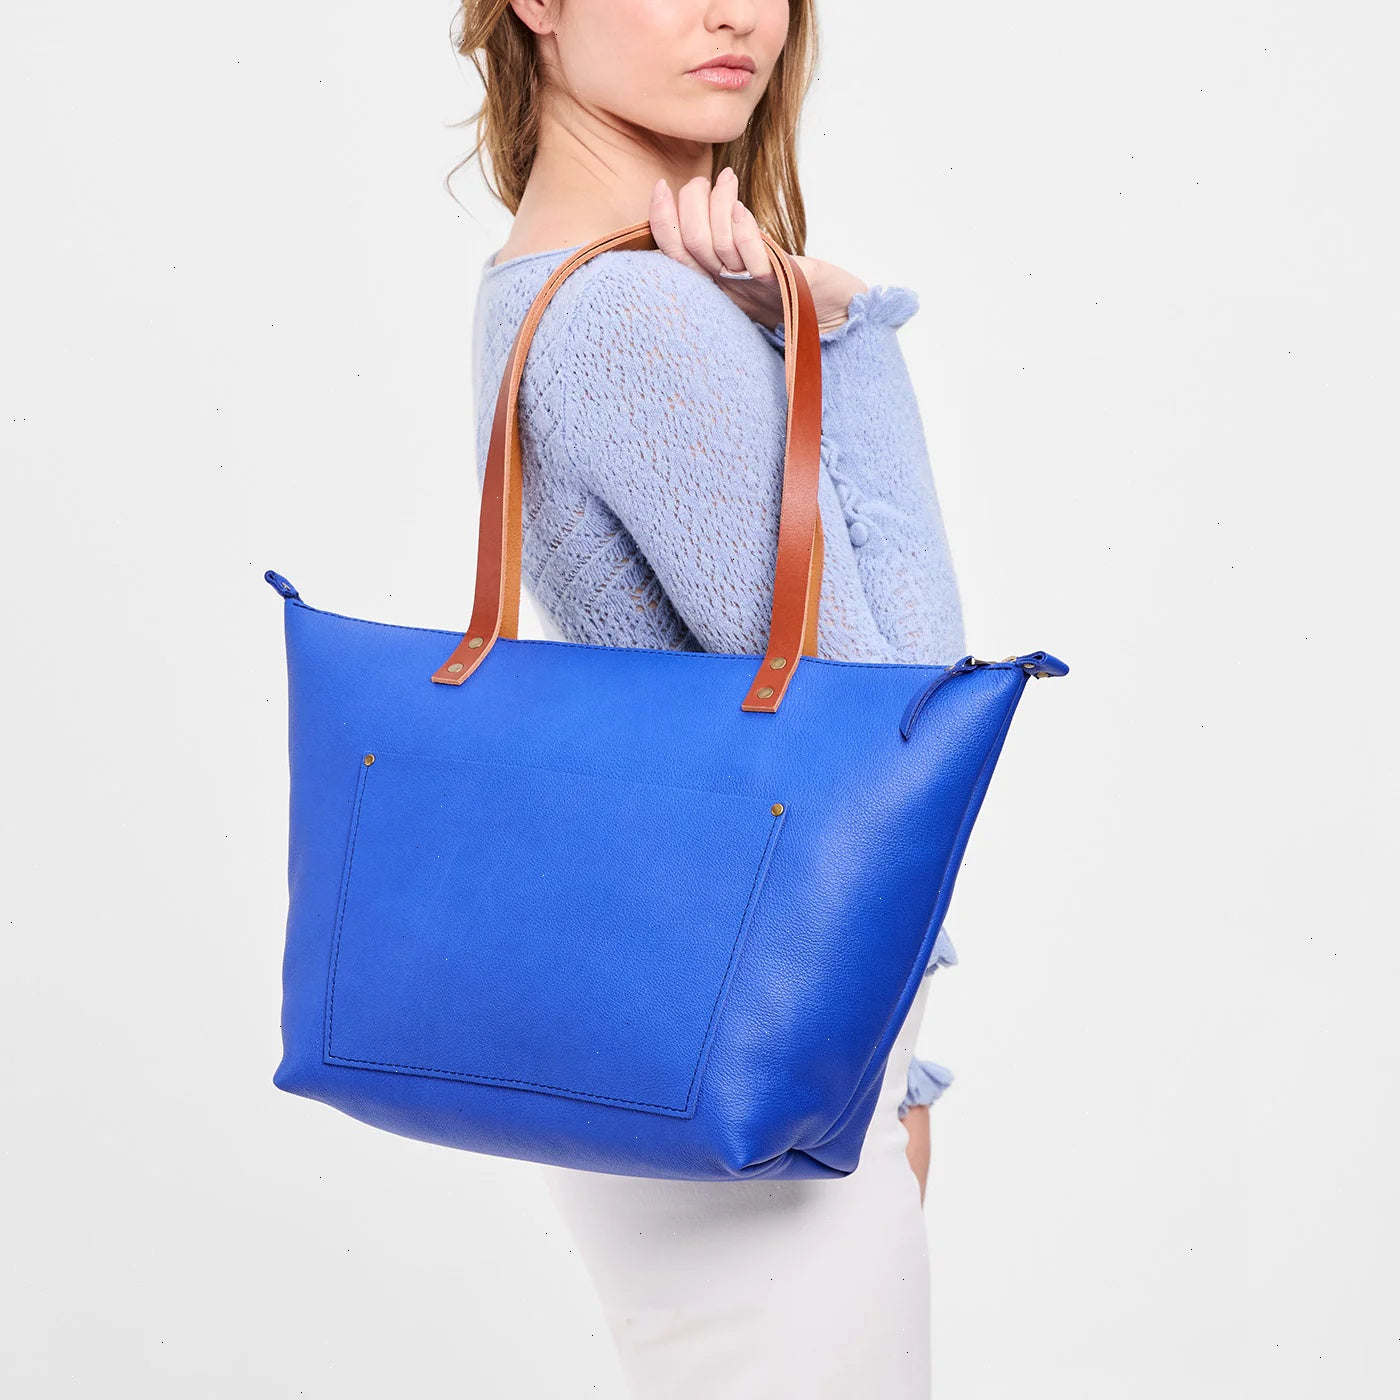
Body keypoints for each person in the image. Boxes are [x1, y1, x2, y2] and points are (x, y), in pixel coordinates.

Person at [455, 1, 965, 1393]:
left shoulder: (543, 284)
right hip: (757, 1085)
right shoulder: (631, 312)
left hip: (712, 1058)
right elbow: (901, 721)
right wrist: (847, 337)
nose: (739, 12)